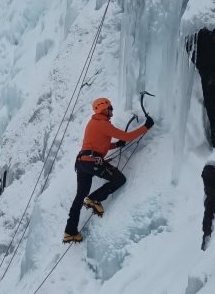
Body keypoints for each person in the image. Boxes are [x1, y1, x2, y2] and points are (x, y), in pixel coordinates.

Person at [63, 97, 153, 242]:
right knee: (119, 179)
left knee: (79, 197)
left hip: (82, 162)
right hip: (93, 162)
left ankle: (70, 231)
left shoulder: (93, 123)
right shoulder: (103, 124)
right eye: (110, 108)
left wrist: (116, 145)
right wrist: (146, 127)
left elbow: (96, 144)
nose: (112, 110)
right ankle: (94, 199)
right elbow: (128, 136)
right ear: (103, 109)